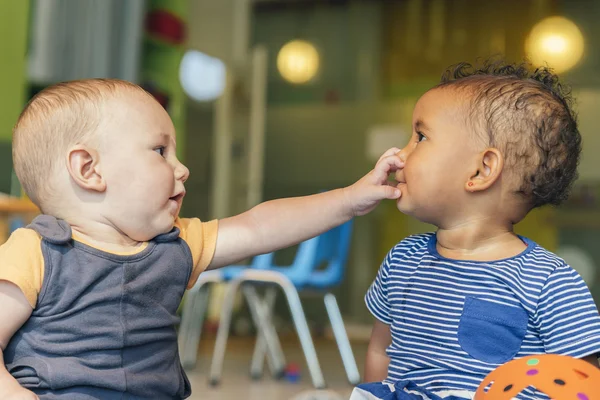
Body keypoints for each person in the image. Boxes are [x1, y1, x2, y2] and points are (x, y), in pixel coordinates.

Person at [0, 78, 404, 399]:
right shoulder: (36, 253)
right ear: (89, 169)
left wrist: (350, 199)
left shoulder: (177, 245)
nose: (183, 168)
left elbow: (260, 227)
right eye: (160, 151)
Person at [358, 60, 600, 400]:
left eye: (420, 137)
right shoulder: (403, 260)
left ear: (481, 170)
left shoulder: (549, 281)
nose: (399, 154)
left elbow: (581, 384)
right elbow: (380, 351)